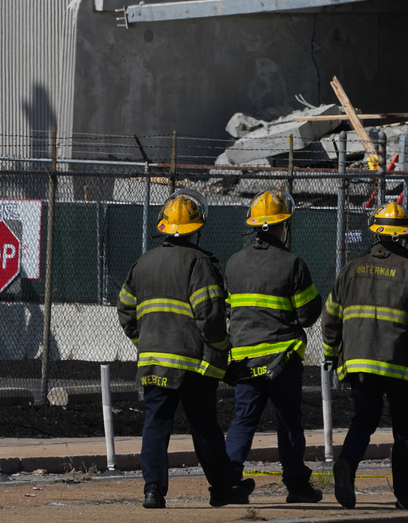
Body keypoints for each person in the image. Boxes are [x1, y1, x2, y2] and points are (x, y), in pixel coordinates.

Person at [117, 189, 253, 509]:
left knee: (156, 425)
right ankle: (222, 488)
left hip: (153, 362)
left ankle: (153, 491)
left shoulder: (143, 262)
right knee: (204, 426)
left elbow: (125, 311)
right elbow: (209, 317)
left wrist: (145, 342)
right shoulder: (199, 263)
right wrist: (222, 353)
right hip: (192, 364)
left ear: (165, 227)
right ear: (196, 229)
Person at [321, 201, 408, 511]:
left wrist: (330, 354)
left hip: (358, 363)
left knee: (363, 420)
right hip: (400, 364)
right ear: (404, 237)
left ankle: (346, 465)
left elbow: (330, 317)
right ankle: (406, 496)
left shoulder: (351, 269)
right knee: (404, 429)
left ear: (377, 234)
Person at [224, 189, 324, 503]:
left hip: (244, 359)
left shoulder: (234, 263)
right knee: (288, 422)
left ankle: (227, 480)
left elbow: (229, 310)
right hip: (282, 359)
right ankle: (297, 486)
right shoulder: (292, 263)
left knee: (242, 420)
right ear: (282, 225)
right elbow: (307, 315)